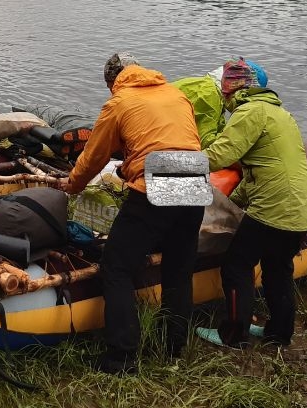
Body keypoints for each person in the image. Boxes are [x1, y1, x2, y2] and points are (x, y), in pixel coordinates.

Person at [63, 53, 204, 375]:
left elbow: (94, 156)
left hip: (157, 180)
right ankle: (175, 350)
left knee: (116, 266)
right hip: (196, 178)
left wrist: (72, 186)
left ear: (112, 81)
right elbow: (179, 141)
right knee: (179, 269)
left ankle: (121, 358)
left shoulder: (120, 101)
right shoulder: (175, 93)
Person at [196, 59, 307, 349]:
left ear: (233, 90)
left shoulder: (249, 112)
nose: (224, 100)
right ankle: (279, 335)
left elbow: (219, 156)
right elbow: (263, 170)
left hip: (274, 209)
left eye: (224, 92)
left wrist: (175, 163)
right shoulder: (280, 114)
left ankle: (233, 336)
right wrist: (230, 202)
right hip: (303, 206)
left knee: (236, 265)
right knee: (278, 270)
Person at [174, 59, 269, 149]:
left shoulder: (210, 89)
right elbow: (205, 142)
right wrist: (241, 136)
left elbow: (219, 131)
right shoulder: (209, 94)